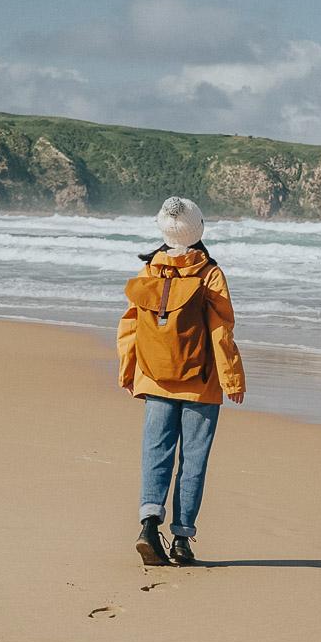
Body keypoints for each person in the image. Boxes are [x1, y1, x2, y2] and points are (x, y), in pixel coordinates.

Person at [117, 196, 246, 566]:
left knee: (155, 454)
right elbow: (221, 332)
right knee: (192, 461)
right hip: (201, 383)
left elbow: (128, 326)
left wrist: (128, 370)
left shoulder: (149, 272)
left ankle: (147, 525)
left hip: (155, 378)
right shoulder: (209, 273)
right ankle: (182, 540)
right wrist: (232, 377)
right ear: (199, 229)